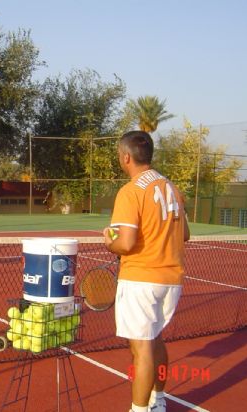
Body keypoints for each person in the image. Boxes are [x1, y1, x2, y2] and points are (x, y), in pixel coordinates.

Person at [103, 131, 190, 412]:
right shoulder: (172, 188)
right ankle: (159, 400)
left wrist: (108, 240)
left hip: (141, 279)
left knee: (141, 351)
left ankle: (139, 409)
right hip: (171, 280)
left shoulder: (131, 191)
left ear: (126, 157)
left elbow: (125, 243)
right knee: (155, 341)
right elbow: (185, 234)